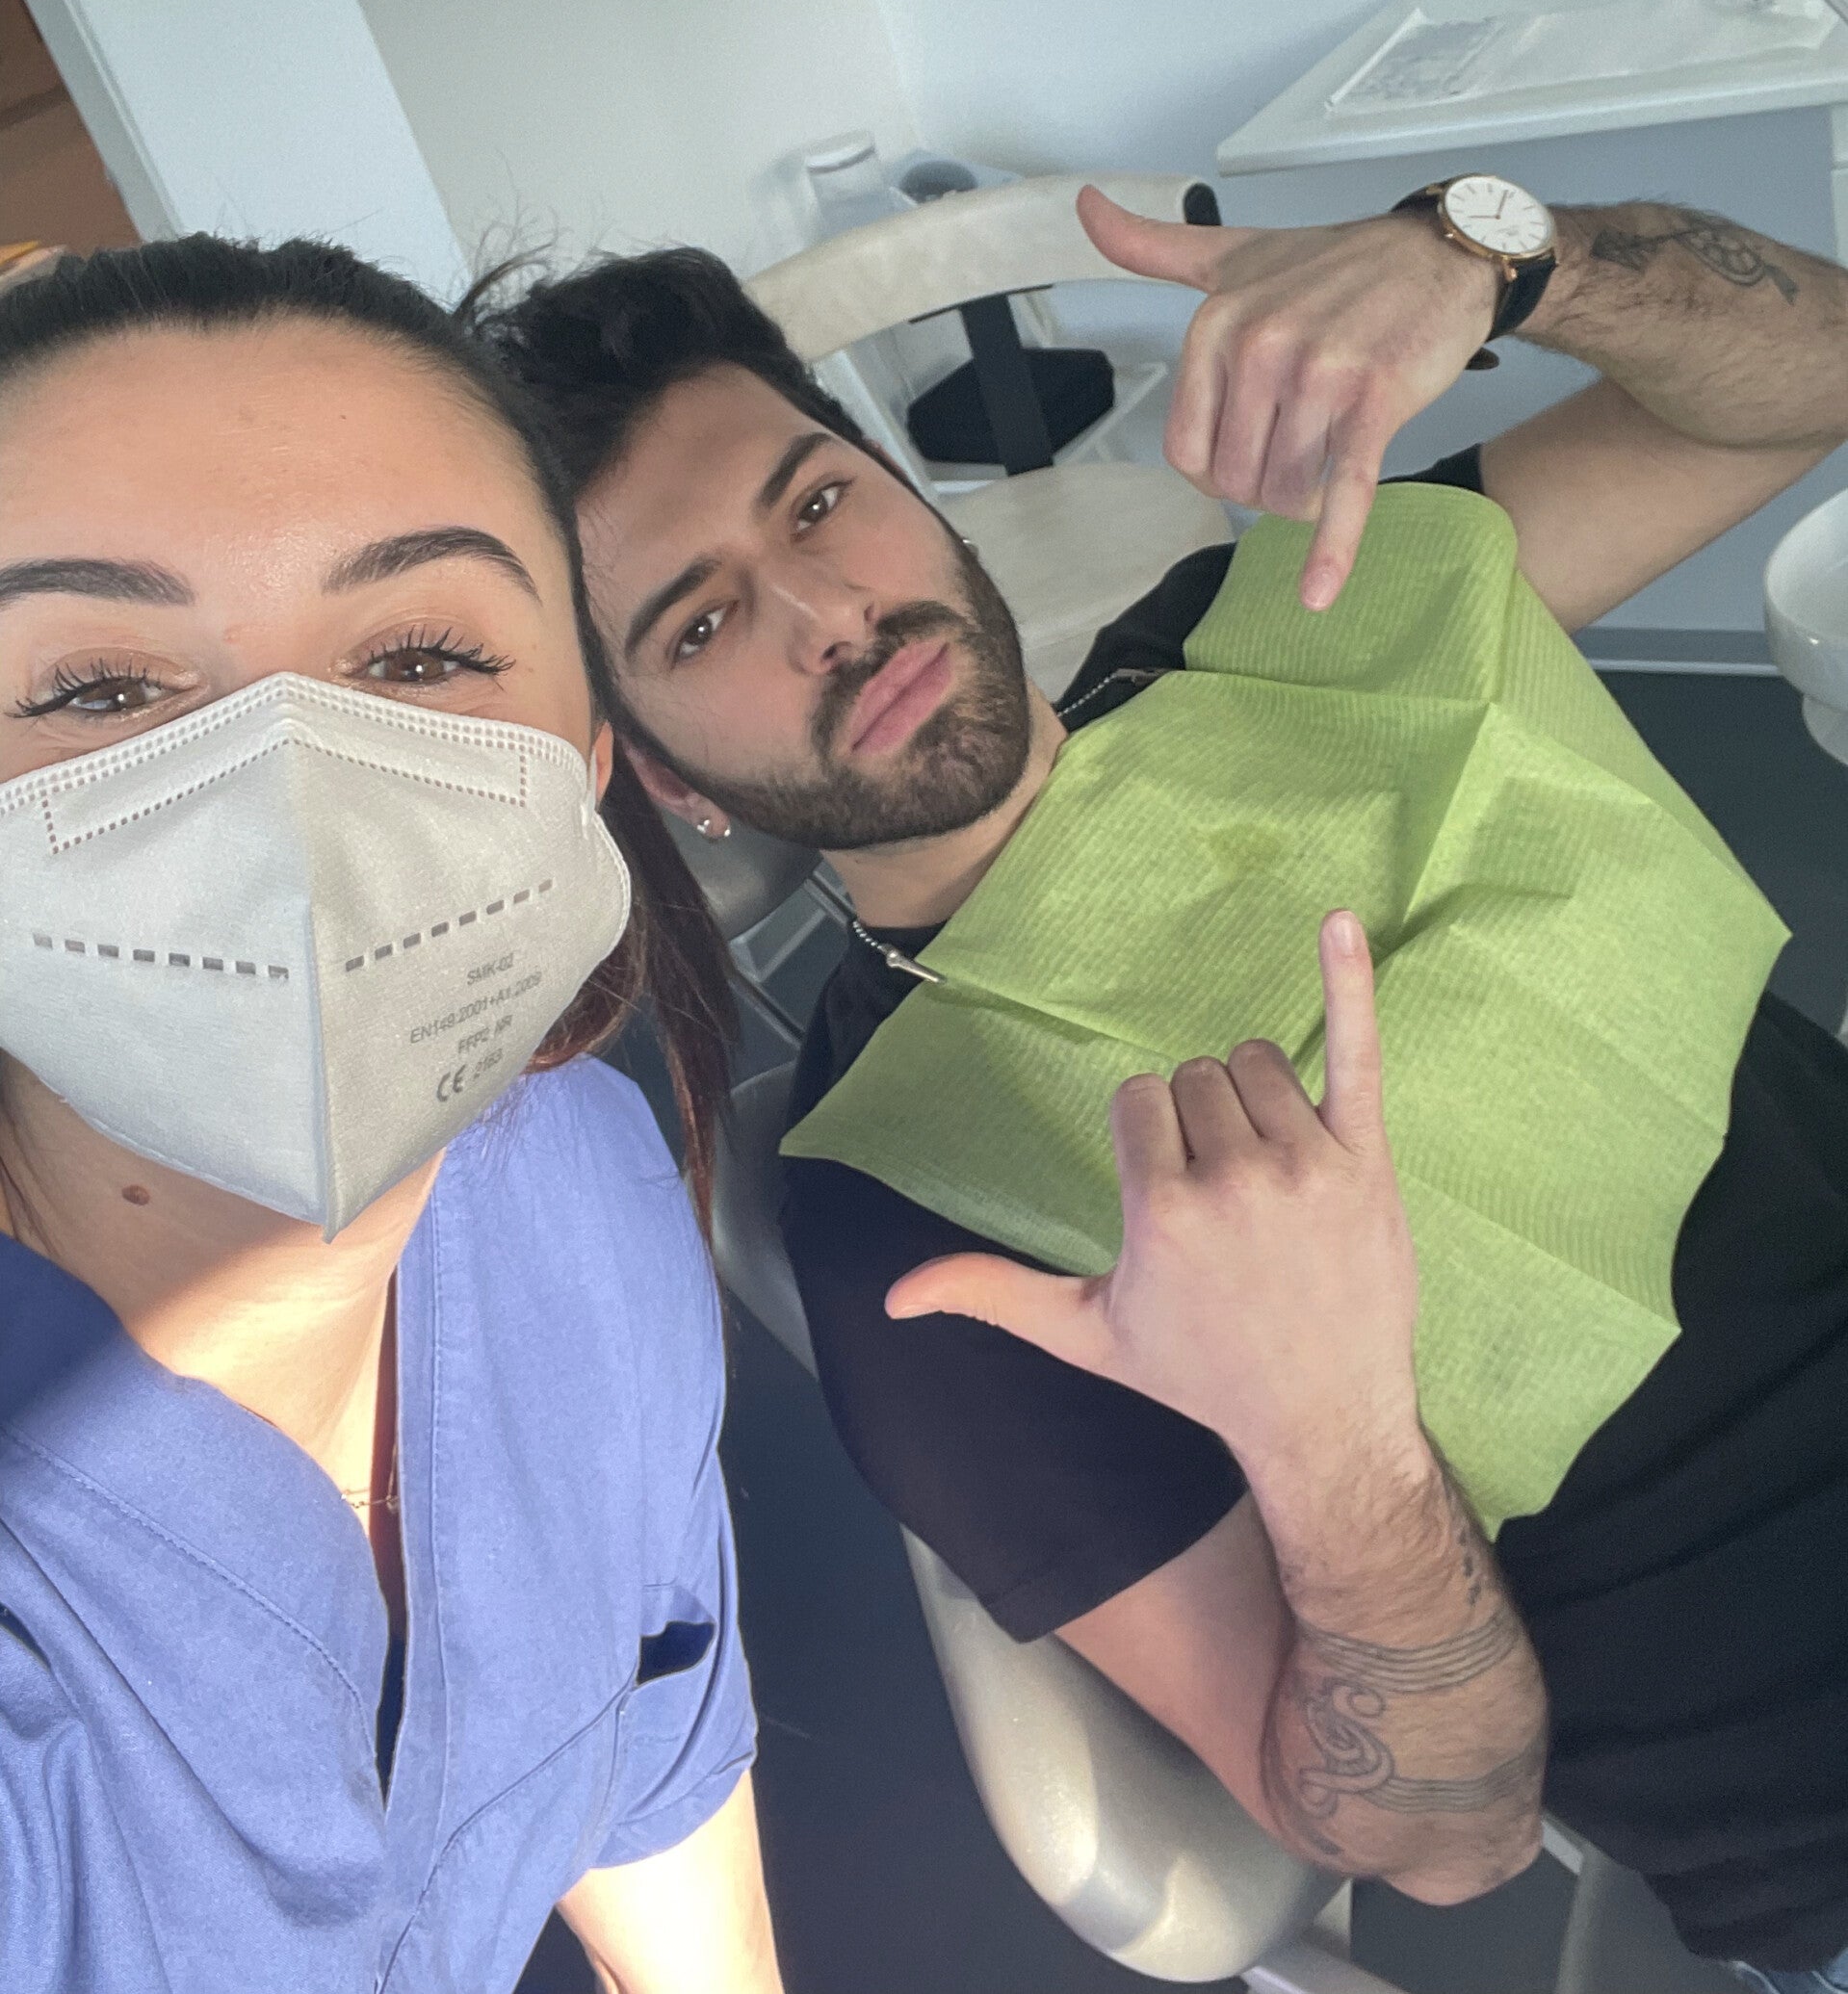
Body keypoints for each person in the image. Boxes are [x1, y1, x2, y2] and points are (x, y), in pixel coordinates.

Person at [492, 179, 1848, 1993]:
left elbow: (1803, 377)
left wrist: (1495, 256)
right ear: (669, 781)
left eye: (816, 503)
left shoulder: (1278, 622)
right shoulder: (910, 1209)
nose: (831, 612)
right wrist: (1334, 1439)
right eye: (699, 625)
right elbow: (1439, 1837)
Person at [0, 239, 782, 1994]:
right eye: (101, 692)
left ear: (589, 766)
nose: (296, 804)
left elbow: (651, 1784)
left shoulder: (577, 1192)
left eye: (422, 655)